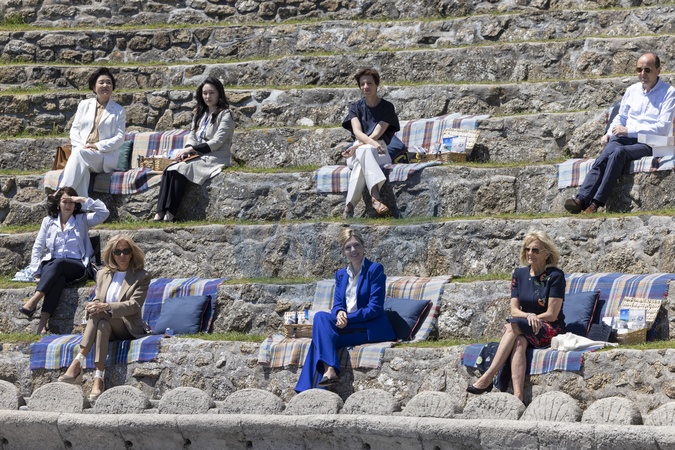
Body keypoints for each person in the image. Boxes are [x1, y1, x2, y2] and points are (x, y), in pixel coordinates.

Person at [565, 52, 675, 214]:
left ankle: (596, 203)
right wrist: (609, 133)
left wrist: (629, 131)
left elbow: (661, 128)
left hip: (650, 141)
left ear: (658, 70)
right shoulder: (632, 90)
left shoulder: (669, 93)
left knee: (618, 153)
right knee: (604, 155)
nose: (642, 73)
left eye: (647, 70)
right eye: (639, 69)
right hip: (625, 137)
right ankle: (580, 199)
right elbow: (621, 117)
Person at [466, 231, 565, 402]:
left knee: (513, 327)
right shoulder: (519, 275)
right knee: (519, 341)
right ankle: (518, 396)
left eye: (535, 250)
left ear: (546, 253)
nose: (530, 253)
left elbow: (552, 314)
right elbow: (514, 310)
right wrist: (529, 316)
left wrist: (533, 319)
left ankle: (488, 376)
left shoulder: (555, 276)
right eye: (527, 249)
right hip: (525, 325)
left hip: (549, 328)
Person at [294, 228, 396, 392]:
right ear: (343, 252)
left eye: (356, 245)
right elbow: (337, 304)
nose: (353, 250)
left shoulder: (375, 270)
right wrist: (339, 312)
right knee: (321, 319)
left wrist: (347, 317)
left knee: (319, 338)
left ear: (363, 246)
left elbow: (375, 308)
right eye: (348, 247)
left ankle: (308, 389)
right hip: (347, 324)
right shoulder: (341, 275)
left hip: (368, 326)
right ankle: (328, 373)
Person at [57, 234, 151, 402]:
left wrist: (106, 306)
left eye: (126, 251)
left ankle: (77, 363)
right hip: (106, 324)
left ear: (132, 253)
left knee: (100, 314)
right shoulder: (103, 274)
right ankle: (98, 379)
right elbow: (98, 297)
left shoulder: (141, 276)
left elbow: (134, 305)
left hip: (128, 326)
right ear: (112, 254)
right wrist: (93, 305)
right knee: (101, 325)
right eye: (117, 251)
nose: (121, 255)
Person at [20, 187, 109, 334]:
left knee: (60, 262)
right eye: (64, 202)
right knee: (58, 279)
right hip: (53, 266)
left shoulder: (82, 219)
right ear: (58, 203)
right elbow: (38, 246)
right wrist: (36, 272)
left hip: (77, 266)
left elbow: (104, 213)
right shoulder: (48, 221)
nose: (68, 205)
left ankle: (34, 300)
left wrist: (82, 199)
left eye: (71, 202)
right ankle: (42, 325)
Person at [153, 77, 235, 222]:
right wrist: (188, 149)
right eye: (205, 93)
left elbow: (216, 142)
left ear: (219, 93)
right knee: (169, 168)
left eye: (211, 93)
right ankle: (160, 212)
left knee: (181, 168)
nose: (208, 96)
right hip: (199, 154)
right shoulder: (200, 113)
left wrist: (191, 150)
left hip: (216, 155)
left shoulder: (226, 114)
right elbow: (192, 136)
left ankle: (170, 212)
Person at [341, 68, 402, 219]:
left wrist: (358, 146)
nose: (365, 87)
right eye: (362, 84)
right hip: (361, 149)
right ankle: (375, 197)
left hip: (379, 150)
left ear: (376, 85)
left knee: (363, 156)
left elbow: (376, 134)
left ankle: (349, 207)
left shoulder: (387, 107)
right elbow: (357, 132)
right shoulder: (355, 107)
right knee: (365, 151)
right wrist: (362, 145)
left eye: (369, 83)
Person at [59, 67, 126, 197]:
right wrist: (81, 146)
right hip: (83, 151)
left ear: (113, 87)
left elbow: (119, 137)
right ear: (94, 86)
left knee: (79, 155)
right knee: (82, 166)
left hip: (103, 156)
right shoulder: (84, 105)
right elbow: (75, 129)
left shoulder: (119, 110)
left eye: (109, 82)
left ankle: (61, 193)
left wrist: (97, 146)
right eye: (101, 82)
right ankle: (81, 205)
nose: (105, 85)